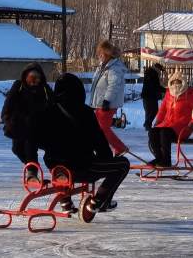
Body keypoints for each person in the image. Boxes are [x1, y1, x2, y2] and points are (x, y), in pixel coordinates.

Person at [31, 73, 130, 221]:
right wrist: (107, 159)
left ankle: (65, 201)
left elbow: (37, 140)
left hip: (56, 167)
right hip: (82, 166)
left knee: (62, 165)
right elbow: (100, 142)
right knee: (123, 165)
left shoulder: (46, 111)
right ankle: (98, 201)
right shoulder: (85, 112)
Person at [1, 62, 52, 175]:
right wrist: (6, 118)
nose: (34, 81)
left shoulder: (44, 89)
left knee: (30, 146)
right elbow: (8, 103)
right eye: (31, 78)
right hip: (19, 125)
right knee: (16, 149)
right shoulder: (18, 86)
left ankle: (32, 172)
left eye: (37, 78)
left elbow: (53, 106)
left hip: (37, 126)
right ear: (26, 77)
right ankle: (32, 166)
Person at [148, 74, 193, 169]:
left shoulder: (188, 95)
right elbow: (162, 110)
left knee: (164, 133)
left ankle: (166, 160)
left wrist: (192, 123)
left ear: (183, 83)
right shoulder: (168, 94)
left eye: (178, 83)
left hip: (182, 128)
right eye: (173, 83)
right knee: (152, 132)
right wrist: (157, 121)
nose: (175, 85)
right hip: (167, 125)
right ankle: (159, 158)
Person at [88, 40, 129, 156]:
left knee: (102, 128)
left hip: (107, 104)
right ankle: (104, 149)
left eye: (101, 53)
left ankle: (119, 148)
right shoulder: (103, 67)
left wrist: (107, 100)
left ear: (107, 54)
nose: (99, 56)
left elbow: (113, 85)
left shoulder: (114, 68)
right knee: (98, 128)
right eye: (98, 54)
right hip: (99, 103)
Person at [140, 63, 165, 131]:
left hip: (147, 95)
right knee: (154, 110)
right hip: (150, 96)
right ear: (158, 69)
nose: (160, 72)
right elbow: (156, 86)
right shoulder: (153, 74)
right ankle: (147, 124)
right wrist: (165, 90)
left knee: (148, 111)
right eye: (160, 70)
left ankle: (148, 126)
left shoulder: (149, 72)